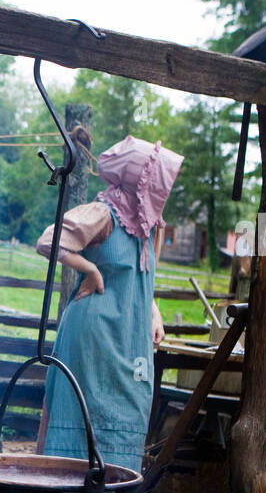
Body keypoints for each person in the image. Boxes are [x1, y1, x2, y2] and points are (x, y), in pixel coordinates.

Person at [34, 135, 184, 473]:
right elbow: (49, 240)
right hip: (92, 335)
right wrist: (90, 270)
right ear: (140, 178)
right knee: (85, 408)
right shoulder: (104, 212)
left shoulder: (145, 225)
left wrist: (152, 308)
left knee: (128, 409)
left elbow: (136, 275)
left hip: (129, 336)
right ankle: (65, 490)